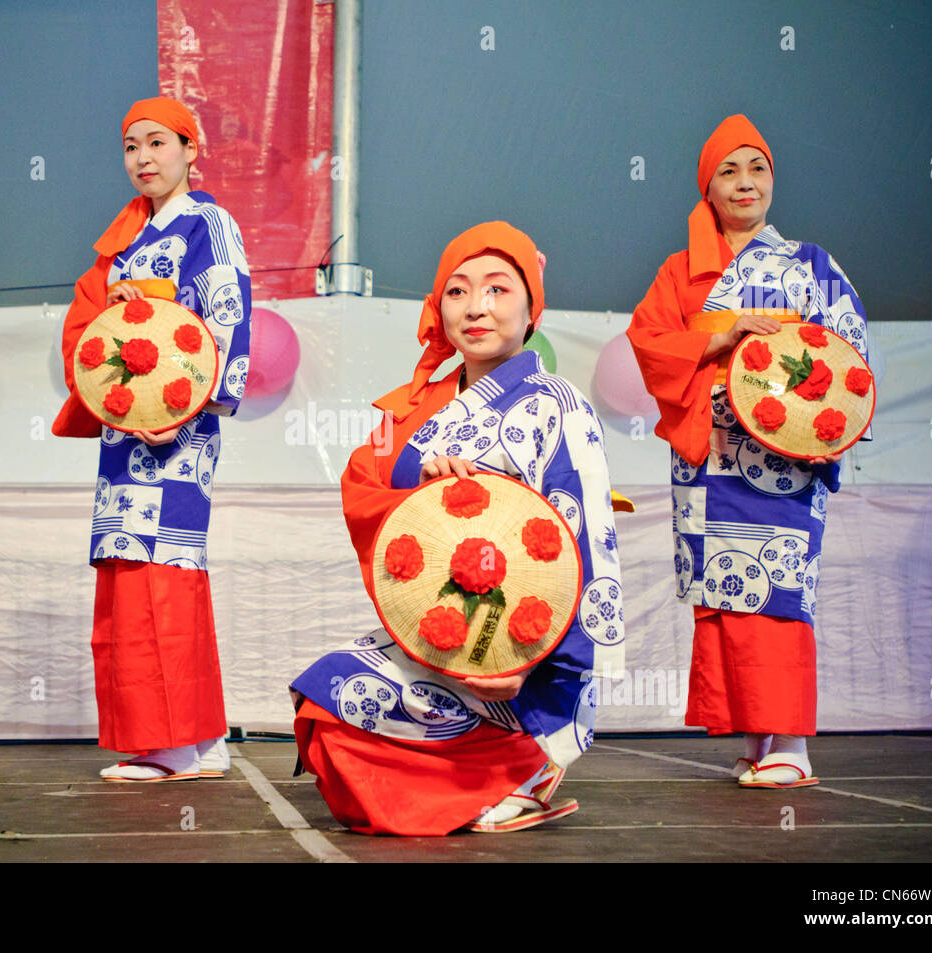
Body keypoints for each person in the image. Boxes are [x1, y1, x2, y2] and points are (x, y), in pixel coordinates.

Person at [290, 222, 626, 834]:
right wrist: (424, 478)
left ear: (531, 309)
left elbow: (585, 543)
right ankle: (484, 783)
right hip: (442, 629)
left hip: (520, 643)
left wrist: (529, 658)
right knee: (326, 704)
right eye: (458, 291)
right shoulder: (417, 408)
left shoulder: (558, 405)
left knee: (346, 709)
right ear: (439, 308)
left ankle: (528, 762)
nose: (476, 307)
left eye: (498, 290)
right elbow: (364, 486)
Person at [627, 114, 870, 788]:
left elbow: (848, 356)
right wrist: (720, 338)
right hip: (710, 461)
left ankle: (791, 742)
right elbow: (648, 343)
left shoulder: (812, 265)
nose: (744, 182)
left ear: (772, 180)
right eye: (727, 171)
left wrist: (821, 431)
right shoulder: (680, 272)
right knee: (729, 596)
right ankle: (760, 737)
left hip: (783, 465)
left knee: (778, 592)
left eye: (756, 167)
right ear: (707, 188)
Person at [52, 96, 252, 781]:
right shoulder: (126, 244)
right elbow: (99, 341)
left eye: (158, 143)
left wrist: (192, 405)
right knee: (132, 571)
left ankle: (172, 742)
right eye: (131, 145)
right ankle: (197, 740)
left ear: (191, 150)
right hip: (124, 435)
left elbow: (227, 318)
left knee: (161, 574)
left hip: (178, 429)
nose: (143, 157)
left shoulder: (208, 224)